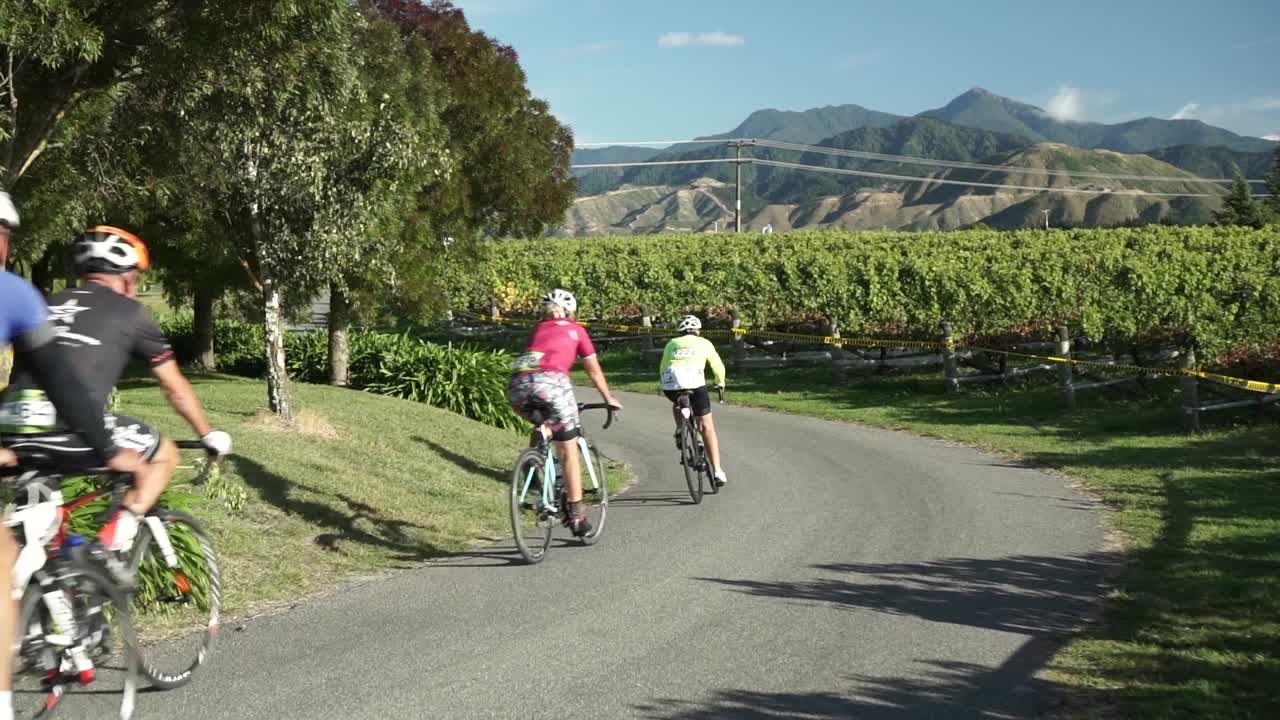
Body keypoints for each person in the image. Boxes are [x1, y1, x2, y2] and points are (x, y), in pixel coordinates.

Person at [0, 224, 231, 586]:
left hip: (14, 426)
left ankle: (45, 600)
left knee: (43, 528)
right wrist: (208, 434)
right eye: (137, 277)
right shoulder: (132, 313)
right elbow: (175, 389)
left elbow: (20, 372)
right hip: (74, 426)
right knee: (164, 453)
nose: (136, 286)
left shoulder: (46, 304)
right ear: (124, 276)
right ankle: (111, 546)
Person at [0, 194, 142, 718]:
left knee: (26, 537)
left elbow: (26, 381)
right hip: (57, 433)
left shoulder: (33, 298)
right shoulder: (15, 294)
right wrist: (109, 452)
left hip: (21, 434)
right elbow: (58, 381)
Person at [508, 289, 622, 536]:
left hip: (517, 385)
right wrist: (608, 398)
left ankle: (533, 458)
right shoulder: (577, 329)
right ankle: (577, 516)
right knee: (569, 451)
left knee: (544, 422)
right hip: (552, 385)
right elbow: (592, 369)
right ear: (571, 312)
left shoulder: (538, 329)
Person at [659, 315, 728, 486]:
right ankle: (718, 471)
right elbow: (718, 366)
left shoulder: (672, 343)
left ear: (680, 331)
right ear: (698, 331)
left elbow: (663, 366)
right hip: (695, 383)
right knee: (706, 427)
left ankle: (680, 428)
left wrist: (663, 383)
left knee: (678, 403)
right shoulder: (704, 343)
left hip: (671, 384)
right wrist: (720, 383)